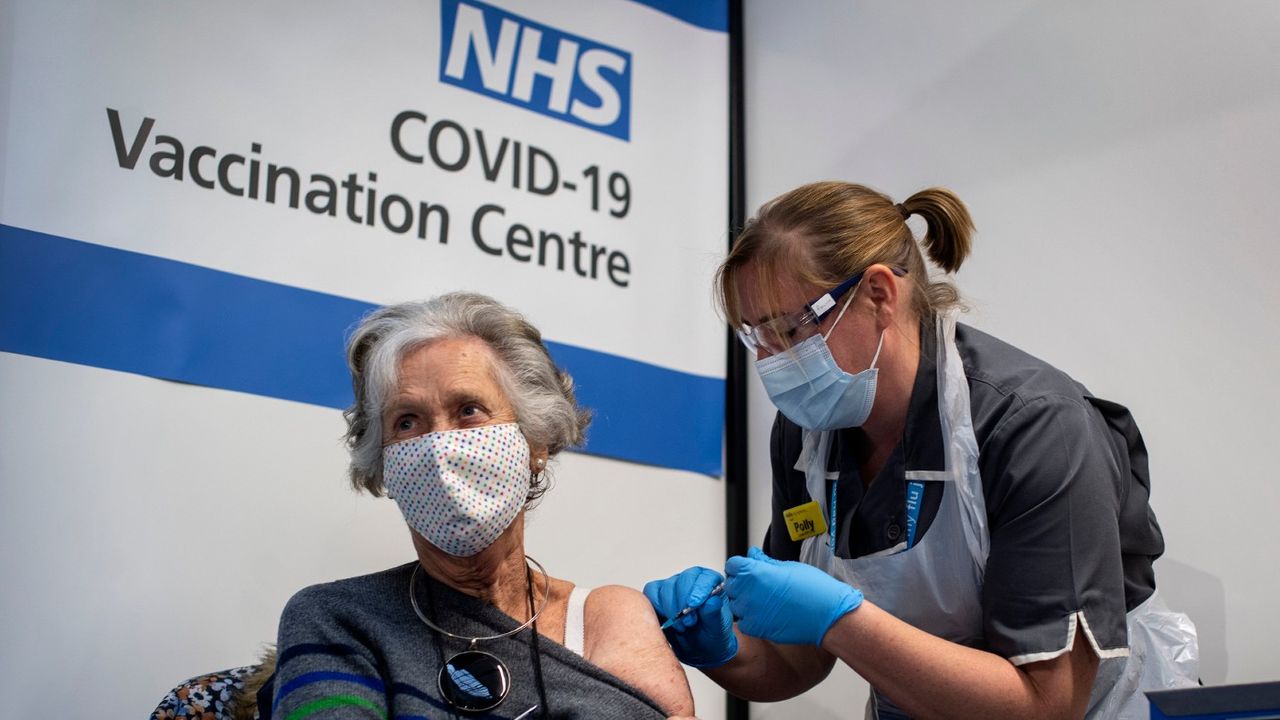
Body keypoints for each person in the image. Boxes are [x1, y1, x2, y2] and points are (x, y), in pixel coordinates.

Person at [645, 182, 1198, 719]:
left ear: (880, 294)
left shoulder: (1031, 425)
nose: (771, 359)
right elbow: (798, 659)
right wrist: (725, 649)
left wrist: (840, 619)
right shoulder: (808, 436)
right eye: (754, 335)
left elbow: (1046, 705)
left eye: (790, 329)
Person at [270, 293, 695, 719]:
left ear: (535, 443)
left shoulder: (605, 619)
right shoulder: (337, 620)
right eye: (406, 421)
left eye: (468, 410)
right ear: (384, 466)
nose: (439, 447)